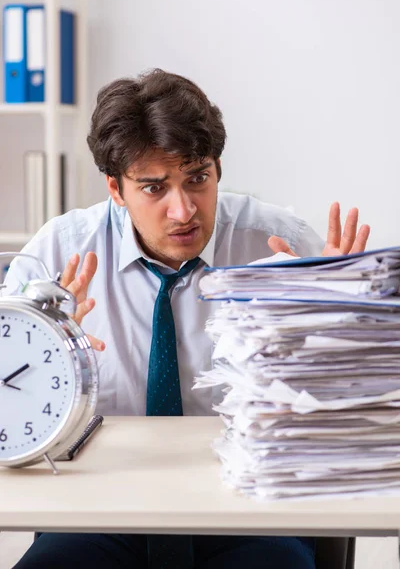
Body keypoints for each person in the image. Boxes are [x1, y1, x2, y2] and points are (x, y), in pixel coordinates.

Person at [5, 69, 370, 569]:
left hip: (251, 511)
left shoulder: (282, 246)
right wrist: (44, 350)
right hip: (98, 513)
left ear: (217, 168)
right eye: (154, 188)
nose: (183, 210)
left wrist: (342, 321)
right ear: (116, 188)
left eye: (197, 178)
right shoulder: (59, 252)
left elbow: (349, 406)